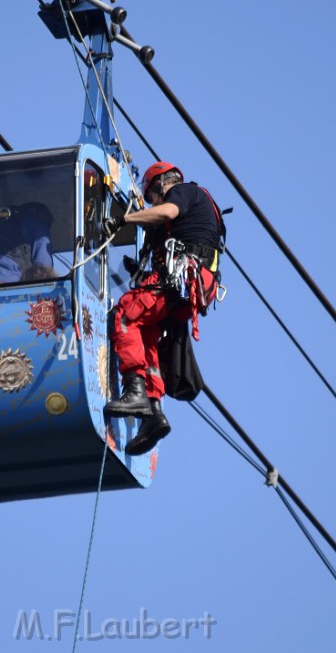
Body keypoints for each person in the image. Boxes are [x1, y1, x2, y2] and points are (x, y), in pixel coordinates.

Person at [101, 162, 224, 455]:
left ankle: (135, 392)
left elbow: (167, 212)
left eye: (152, 197)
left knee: (126, 315)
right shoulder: (182, 221)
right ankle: (153, 413)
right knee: (146, 334)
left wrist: (124, 220)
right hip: (190, 282)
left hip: (184, 274)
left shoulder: (183, 192)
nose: (153, 203)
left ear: (160, 185)